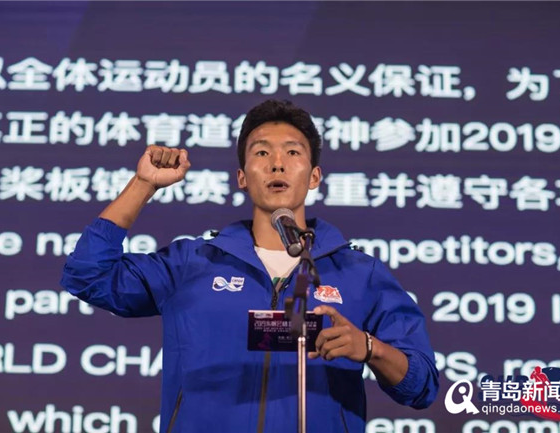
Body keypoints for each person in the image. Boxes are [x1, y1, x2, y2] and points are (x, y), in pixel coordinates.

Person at [61, 99, 439, 433]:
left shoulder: (360, 274)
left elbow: (422, 385)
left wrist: (370, 347)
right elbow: (88, 275)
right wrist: (143, 184)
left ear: (314, 176)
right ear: (242, 177)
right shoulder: (192, 263)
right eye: (261, 152)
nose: (277, 163)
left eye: (292, 152)